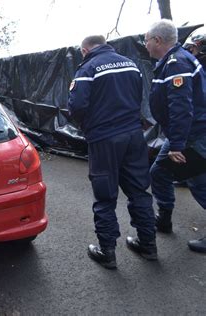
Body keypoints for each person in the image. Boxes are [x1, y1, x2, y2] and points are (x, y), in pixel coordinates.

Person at [68, 35, 157, 269]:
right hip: (133, 136)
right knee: (139, 190)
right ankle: (148, 245)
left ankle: (107, 252)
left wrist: (87, 126)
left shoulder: (88, 68)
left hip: (104, 139)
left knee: (105, 195)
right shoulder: (130, 64)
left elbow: (76, 106)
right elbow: (138, 97)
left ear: (85, 50)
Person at [145, 20, 206, 253]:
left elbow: (181, 108)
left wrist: (177, 145)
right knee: (158, 172)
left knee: (199, 184)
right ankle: (164, 219)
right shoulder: (172, 61)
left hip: (192, 135)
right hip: (183, 134)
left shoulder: (177, 63)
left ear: (158, 40)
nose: (145, 44)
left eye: (147, 39)